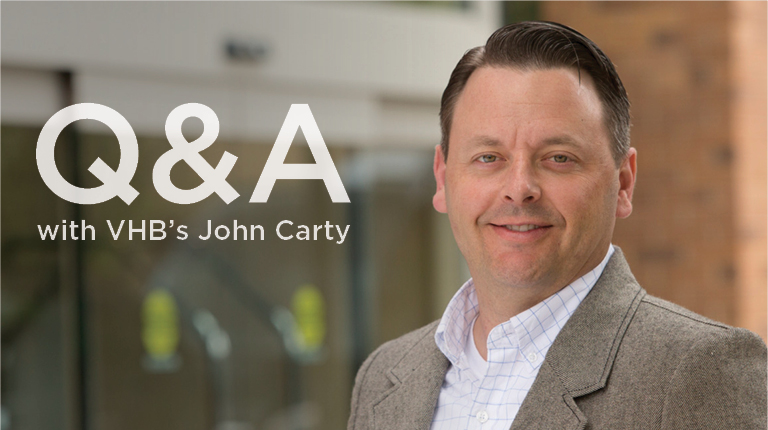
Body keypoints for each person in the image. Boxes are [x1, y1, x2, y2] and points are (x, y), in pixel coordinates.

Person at [347, 21, 767, 430]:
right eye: (488, 157)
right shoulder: (385, 375)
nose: (519, 189)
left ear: (623, 183)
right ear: (442, 178)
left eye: (559, 158)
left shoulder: (698, 372)